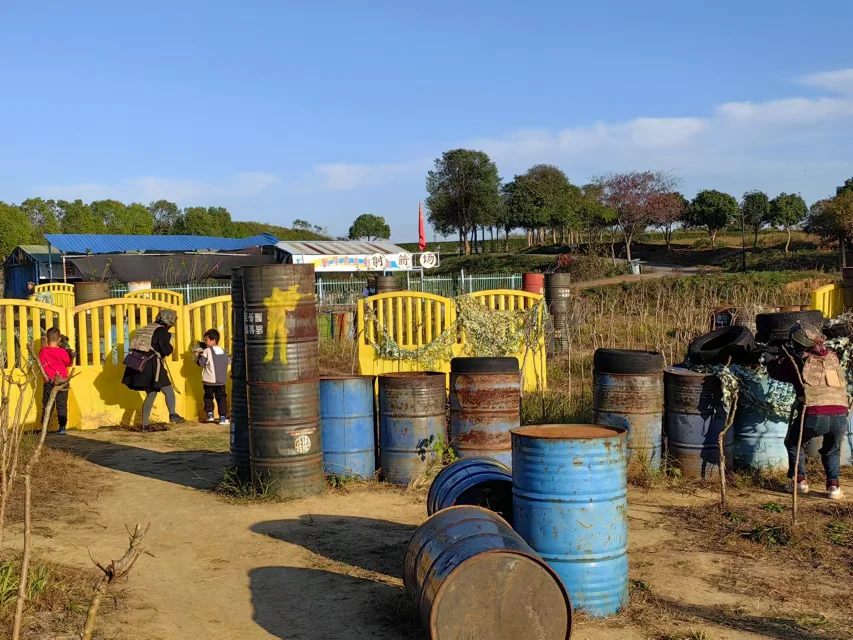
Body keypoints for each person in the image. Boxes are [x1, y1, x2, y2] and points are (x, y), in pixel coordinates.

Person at [765, 321, 848, 500]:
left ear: (799, 342)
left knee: (794, 443)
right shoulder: (833, 357)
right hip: (842, 415)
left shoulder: (798, 361)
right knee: (832, 449)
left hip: (815, 414)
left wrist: (770, 358)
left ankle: (800, 482)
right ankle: (834, 487)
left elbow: (776, 373)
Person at [122, 309, 185, 430]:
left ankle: (145, 426)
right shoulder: (161, 331)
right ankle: (173, 414)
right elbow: (165, 349)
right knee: (168, 390)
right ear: (169, 321)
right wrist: (170, 347)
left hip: (137, 364)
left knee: (151, 394)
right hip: (152, 365)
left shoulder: (144, 329)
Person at [38, 327, 74, 434]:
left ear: (47, 339)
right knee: (61, 404)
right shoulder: (62, 352)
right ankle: (62, 427)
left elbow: (40, 364)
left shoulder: (43, 351)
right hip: (63, 381)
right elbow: (69, 363)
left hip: (49, 381)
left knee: (47, 405)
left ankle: (44, 427)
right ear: (59, 340)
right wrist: (71, 356)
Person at [192, 329, 230, 424]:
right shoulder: (223, 351)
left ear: (213, 340)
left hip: (209, 381)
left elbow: (201, 363)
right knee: (221, 398)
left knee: (208, 397)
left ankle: (210, 415)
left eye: (206, 340)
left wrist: (196, 356)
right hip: (221, 381)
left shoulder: (207, 351)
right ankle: (222, 417)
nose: (205, 342)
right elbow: (229, 361)